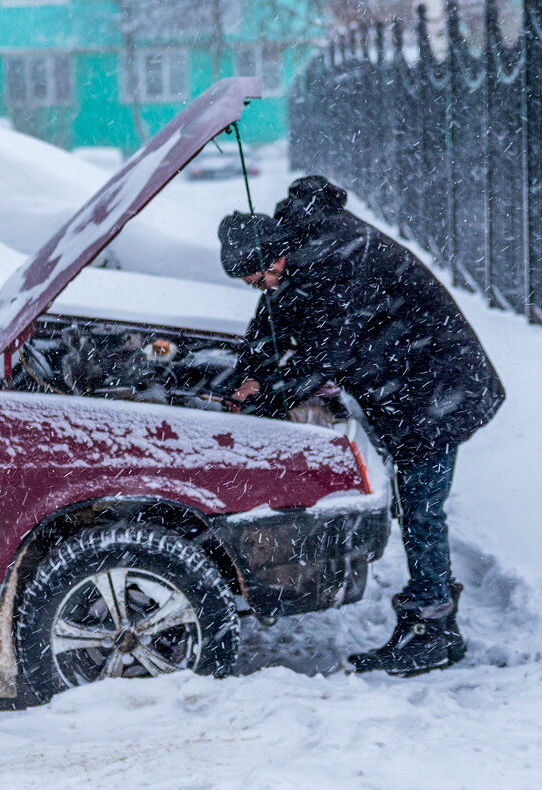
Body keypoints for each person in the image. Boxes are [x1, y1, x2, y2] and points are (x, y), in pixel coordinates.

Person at [217, 176, 506, 677]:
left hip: (438, 387)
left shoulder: (334, 262)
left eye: (257, 277)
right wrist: (249, 372)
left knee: (421, 508)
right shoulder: (301, 250)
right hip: (416, 385)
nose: (259, 287)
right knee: (415, 504)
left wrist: (268, 395)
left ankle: (433, 629)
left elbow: (326, 353)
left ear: (273, 256)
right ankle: (430, 610)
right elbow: (271, 318)